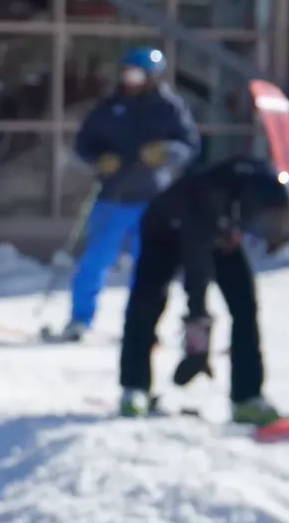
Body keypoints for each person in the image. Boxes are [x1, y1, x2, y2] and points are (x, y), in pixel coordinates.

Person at [117, 155, 289, 421]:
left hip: (222, 230)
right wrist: (197, 345)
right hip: (166, 230)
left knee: (244, 304)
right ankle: (134, 388)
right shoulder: (203, 200)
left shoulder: (268, 187)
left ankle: (247, 396)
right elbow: (197, 276)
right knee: (147, 301)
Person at [57, 46, 199, 342]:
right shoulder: (109, 107)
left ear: (152, 76)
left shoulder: (169, 108)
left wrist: (166, 152)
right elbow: (84, 143)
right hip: (113, 197)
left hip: (152, 199)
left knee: (149, 268)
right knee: (94, 262)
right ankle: (80, 320)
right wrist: (100, 158)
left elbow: (188, 145)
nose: (129, 79)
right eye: (126, 73)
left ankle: (143, 325)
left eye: (136, 73)